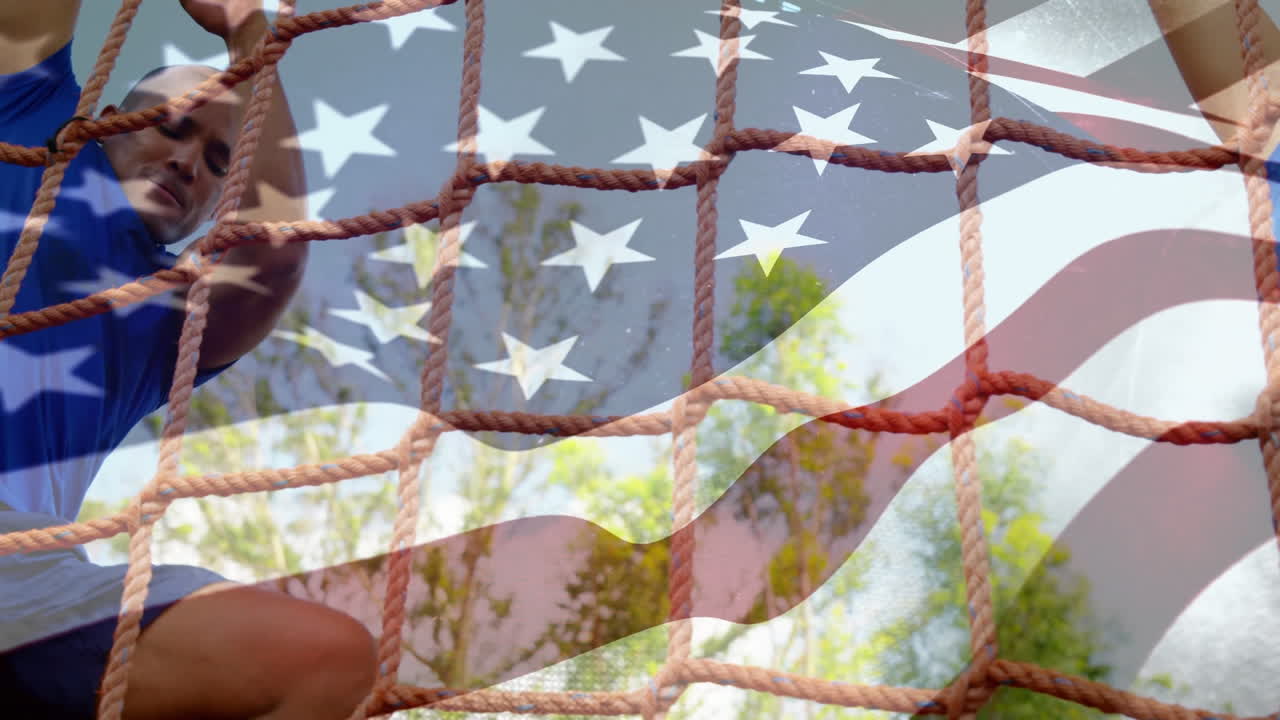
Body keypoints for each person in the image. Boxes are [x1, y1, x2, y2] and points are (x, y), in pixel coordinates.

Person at [0, 1, 378, 718]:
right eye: (169, 126)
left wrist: (248, 29)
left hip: (16, 571)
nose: (184, 160)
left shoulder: (167, 315)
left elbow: (273, 250)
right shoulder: (25, 128)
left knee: (322, 658)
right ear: (105, 116)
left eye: (217, 162)